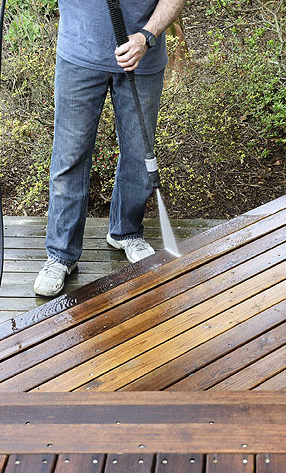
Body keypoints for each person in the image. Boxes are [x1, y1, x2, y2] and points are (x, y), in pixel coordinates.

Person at [34, 0, 186, 297]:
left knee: (139, 154)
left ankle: (126, 232)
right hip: (79, 55)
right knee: (70, 157)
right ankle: (61, 254)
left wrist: (146, 36)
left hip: (142, 57)